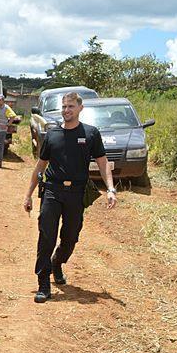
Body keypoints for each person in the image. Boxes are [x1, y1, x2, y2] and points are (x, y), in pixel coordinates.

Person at [23, 91, 117, 303]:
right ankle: (44, 283)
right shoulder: (52, 135)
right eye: (64, 107)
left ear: (80, 108)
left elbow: (102, 162)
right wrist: (28, 195)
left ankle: (58, 262)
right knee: (46, 236)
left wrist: (110, 189)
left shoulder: (91, 134)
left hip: (76, 193)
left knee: (71, 237)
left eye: (71, 107)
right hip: (52, 192)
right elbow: (40, 165)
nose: (66, 110)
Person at [0, 94, 18, 168]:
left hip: (2, 130)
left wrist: (7, 125)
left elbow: (13, 116)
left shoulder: (6, 108)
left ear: (3, 100)